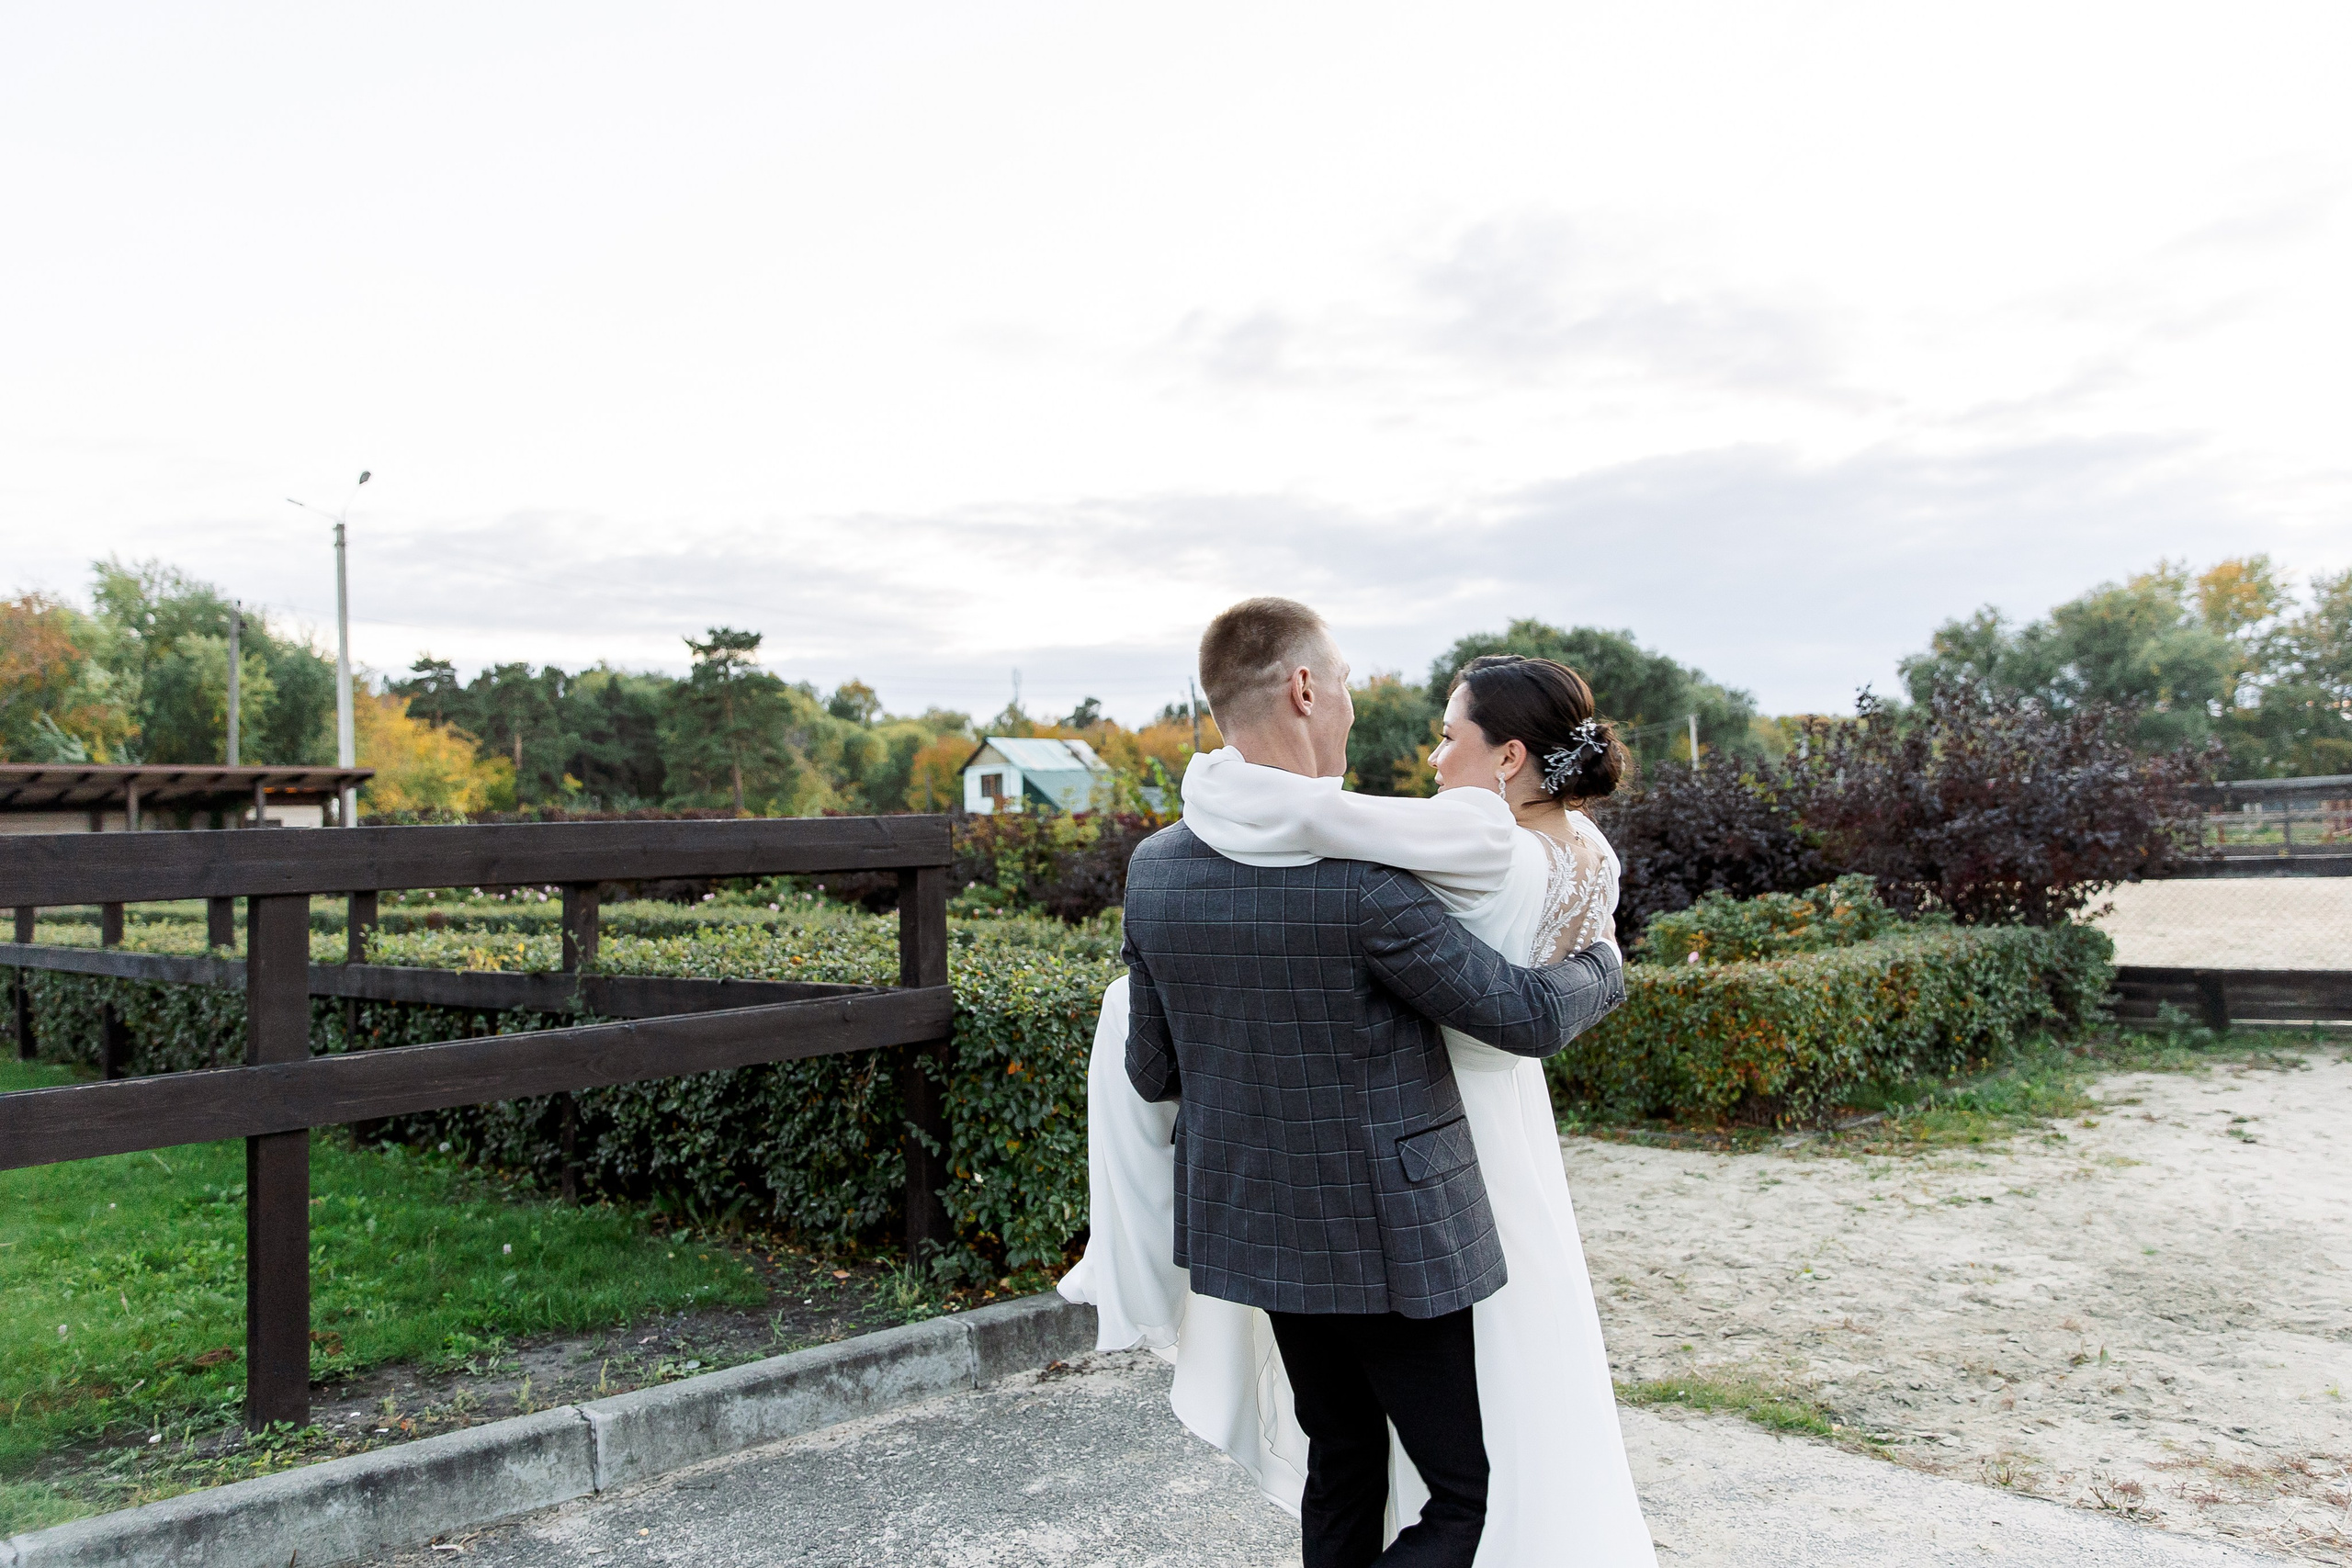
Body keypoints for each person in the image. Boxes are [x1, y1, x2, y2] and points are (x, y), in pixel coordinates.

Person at [1069, 596, 1650, 1568]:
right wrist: (1605, 962)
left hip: (1256, 1225)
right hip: (1394, 1241)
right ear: (1303, 689)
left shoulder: (1156, 868)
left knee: (1341, 1464)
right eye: (1341, 685)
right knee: (1460, 1499)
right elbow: (1522, 1016)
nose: (1350, 707)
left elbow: (1153, 1067)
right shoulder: (1371, 883)